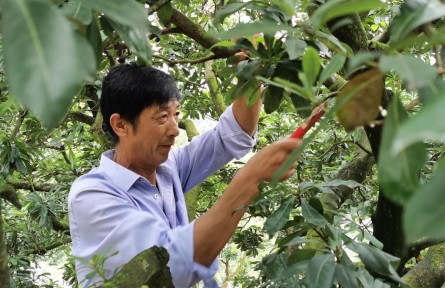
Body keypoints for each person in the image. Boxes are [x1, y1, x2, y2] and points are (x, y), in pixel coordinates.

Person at [68, 63, 300, 287]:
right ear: (121, 125)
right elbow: (166, 269)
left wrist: (252, 74)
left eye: (176, 114)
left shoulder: (168, 170)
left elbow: (232, 135)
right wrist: (249, 179)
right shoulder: (91, 196)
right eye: (161, 117)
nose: (175, 129)